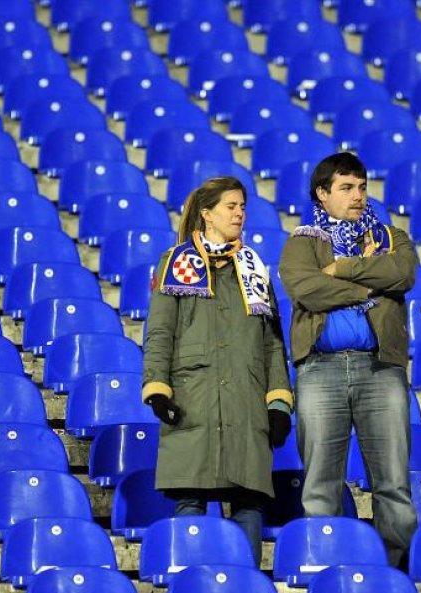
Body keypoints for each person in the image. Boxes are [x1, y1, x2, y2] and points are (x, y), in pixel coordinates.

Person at [141, 176, 294, 567]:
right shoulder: (176, 262)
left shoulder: (254, 266)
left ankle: (245, 582)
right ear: (207, 214)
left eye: (243, 206)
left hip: (246, 403)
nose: (240, 213)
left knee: (249, 502)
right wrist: (158, 389)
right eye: (231, 206)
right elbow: (160, 332)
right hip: (194, 399)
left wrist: (278, 402)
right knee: (189, 497)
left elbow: (273, 343)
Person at [278, 152, 418, 569]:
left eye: (361, 187)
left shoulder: (392, 238)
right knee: (320, 483)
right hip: (320, 370)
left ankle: (396, 574)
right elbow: (306, 290)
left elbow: (404, 274)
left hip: (381, 369)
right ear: (322, 194)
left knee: (393, 483)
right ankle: (329, 570)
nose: (357, 196)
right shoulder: (302, 241)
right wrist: (365, 290)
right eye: (346, 188)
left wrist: (341, 269)